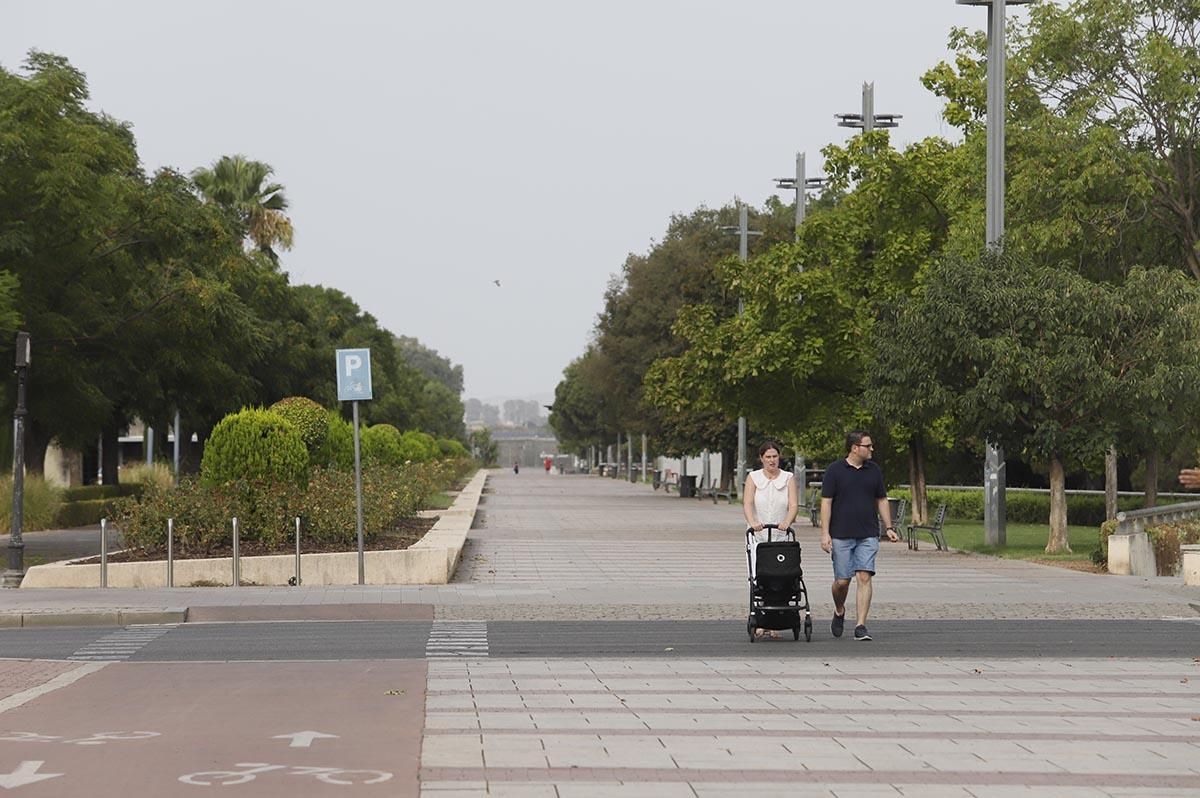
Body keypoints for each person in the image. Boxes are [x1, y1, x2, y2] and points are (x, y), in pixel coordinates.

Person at [820, 430, 898, 642]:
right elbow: (826, 502)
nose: (872, 449)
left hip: (868, 533)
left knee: (864, 576)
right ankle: (839, 609)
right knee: (842, 581)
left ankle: (861, 625)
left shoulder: (874, 470)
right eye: (868, 445)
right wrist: (825, 533)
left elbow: (881, 499)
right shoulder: (835, 470)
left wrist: (888, 527)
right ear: (855, 448)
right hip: (841, 534)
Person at [743, 440, 799, 640]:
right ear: (761, 459)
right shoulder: (754, 478)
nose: (772, 460)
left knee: (781, 577)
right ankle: (761, 620)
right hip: (759, 535)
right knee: (760, 578)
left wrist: (787, 521)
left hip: (780, 535)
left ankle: (778, 620)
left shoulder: (788, 478)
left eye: (775, 456)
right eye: (768, 457)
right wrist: (753, 522)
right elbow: (748, 503)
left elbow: (793, 505)